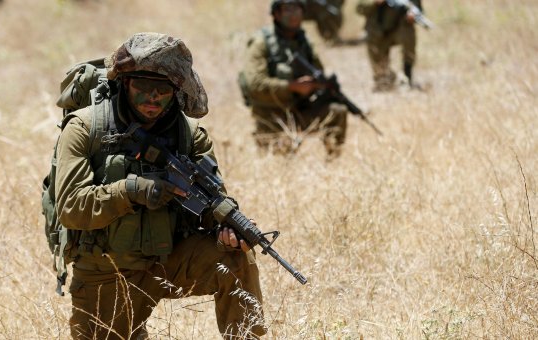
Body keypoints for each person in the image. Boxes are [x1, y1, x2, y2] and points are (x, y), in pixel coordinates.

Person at [54, 32, 266, 340]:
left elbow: (209, 200)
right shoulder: (85, 128)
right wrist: (134, 190)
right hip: (108, 271)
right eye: (143, 87)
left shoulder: (191, 135)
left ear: (177, 90)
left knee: (237, 257)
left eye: (163, 90)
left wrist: (226, 228)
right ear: (124, 83)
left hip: (170, 261)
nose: (153, 98)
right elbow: (72, 208)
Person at [241, 0, 348, 158]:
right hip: (271, 115)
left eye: (298, 9)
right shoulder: (261, 43)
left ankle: (334, 160)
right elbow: (255, 84)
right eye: (288, 9)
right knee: (282, 162)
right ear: (276, 14)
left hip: (299, 109)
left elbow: (319, 75)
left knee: (337, 111)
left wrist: (319, 85)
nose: (294, 14)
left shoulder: (305, 43)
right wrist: (292, 86)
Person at [356, 0, 422, 91]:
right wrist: (375, 2)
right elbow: (359, 8)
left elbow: (418, 8)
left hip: (399, 28)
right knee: (372, 43)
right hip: (378, 31)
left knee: (408, 31)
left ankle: (407, 76)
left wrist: (412, 14)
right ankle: (383, 77)